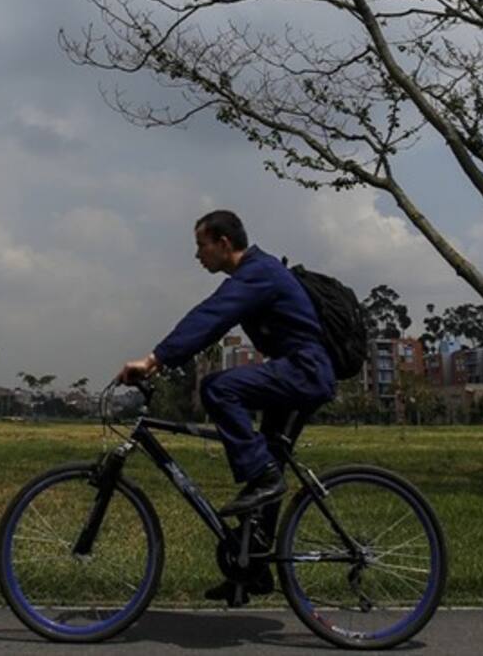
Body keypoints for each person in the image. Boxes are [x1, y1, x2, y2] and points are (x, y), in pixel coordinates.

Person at [117, 209, 336, 601]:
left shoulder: (257, 272)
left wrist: (154, 360)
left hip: (304, 370)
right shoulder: (254, 273)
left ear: (223, 244)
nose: (197, 255)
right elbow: (211, 324)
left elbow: (211, 318)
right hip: (298, 371)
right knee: (265, 465)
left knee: (219, 389)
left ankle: (266, 480)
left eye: (200, 245)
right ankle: (253, 569)